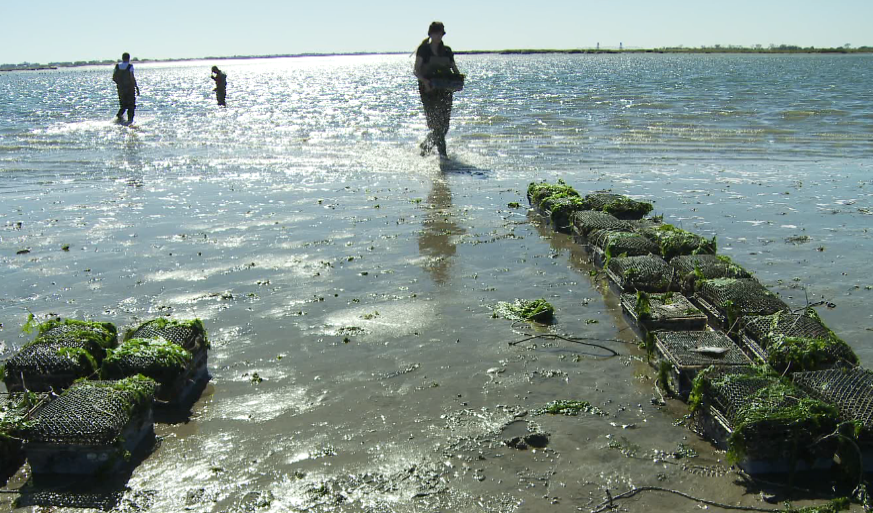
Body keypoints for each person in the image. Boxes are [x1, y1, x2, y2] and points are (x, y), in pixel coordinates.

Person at [414, 21, 461, 158]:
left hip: (445, 90)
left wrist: (457, 81)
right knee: (436, 126)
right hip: (428, 90)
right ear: (430, 34)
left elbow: (454, 69)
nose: (438, 35)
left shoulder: (447, 50)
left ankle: (425, 147)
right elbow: (416, 71)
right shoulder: (424, 50)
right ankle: (443, 157)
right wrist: (426, 82)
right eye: (435, 33)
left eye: (440, 33)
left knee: (444, 127)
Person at [112, 52, 140, 124]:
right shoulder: (130, 66)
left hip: (121, 89)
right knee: (131, 106)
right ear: (129, 58)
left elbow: (114, 78)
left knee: (123, 105)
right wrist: (136, 87)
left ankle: (118, 118)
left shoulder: (117, 66)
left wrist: (120, 84)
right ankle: (130, 121)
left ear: (122, 58)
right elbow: (132, 78)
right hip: (130, 89)